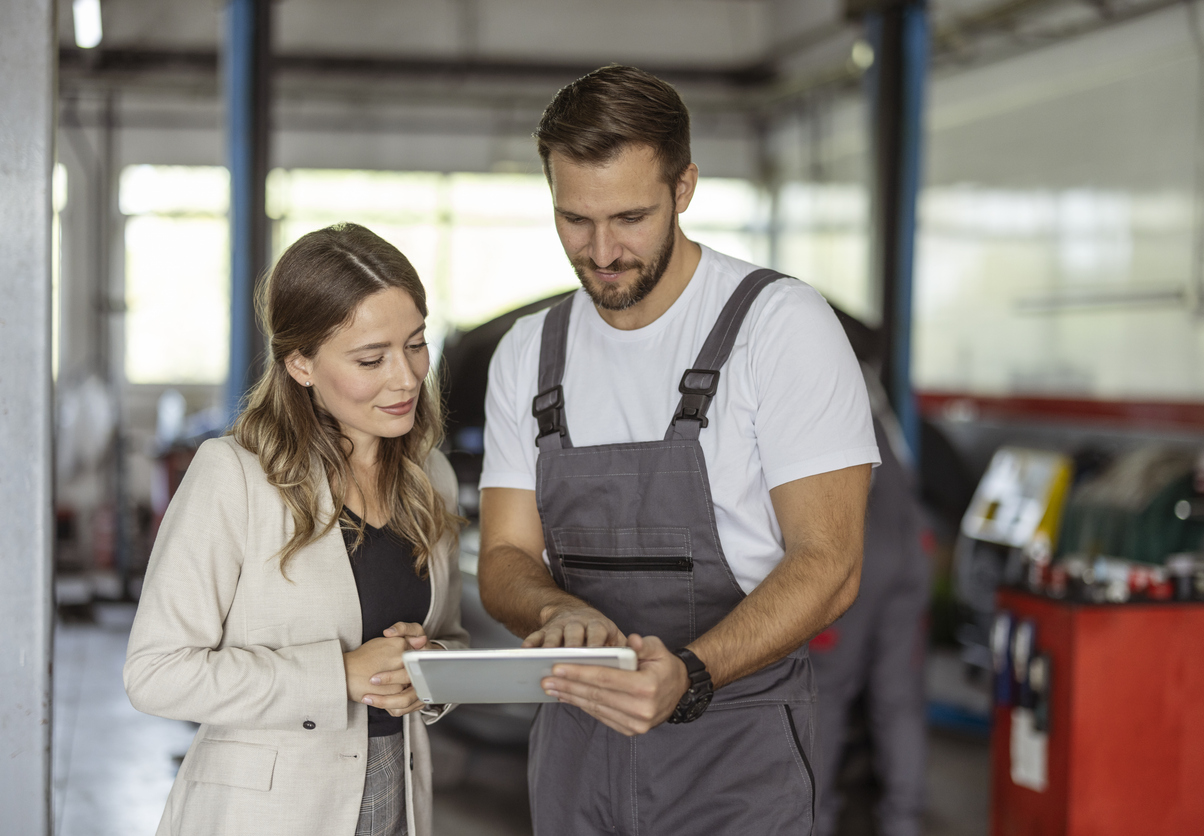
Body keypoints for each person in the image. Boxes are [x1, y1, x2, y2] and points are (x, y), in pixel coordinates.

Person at [477, 65, 880, 835]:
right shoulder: (529, 351)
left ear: (684, 187)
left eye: (629, 217)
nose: (601, 252)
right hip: (574, 740)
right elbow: (504, 556)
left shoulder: (778, 326)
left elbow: (829, 564)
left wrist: (689, 674)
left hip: (732, 744)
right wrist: (555, 606)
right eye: (574, 220)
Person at [124, 223, 469, 836]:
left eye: (416, 344)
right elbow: (157, 673)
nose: (407, 377)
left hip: (399, 799)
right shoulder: (234, 477)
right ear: (301, 363)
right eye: (371, 359)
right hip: (263, 814)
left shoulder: (430, 476)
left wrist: (431, 665)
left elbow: (449, 639)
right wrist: (339, 673)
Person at [809, 367, 930, 836]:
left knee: (826, 691)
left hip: (863, 548)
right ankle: (904, 821)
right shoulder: (870, 388)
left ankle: (814, 823)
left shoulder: (821, 384)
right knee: (898, 697)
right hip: (912, 544)